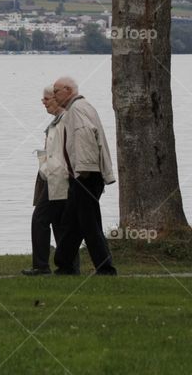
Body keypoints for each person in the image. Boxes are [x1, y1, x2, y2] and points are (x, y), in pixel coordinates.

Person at [52, 77, 117, 276]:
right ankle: (64, 265)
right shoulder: (81, 107)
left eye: (56, 91)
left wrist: (84, 170)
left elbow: (85, 136)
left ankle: (105, 269)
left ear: (68, 89)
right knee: (71, 223)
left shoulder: (77, 109)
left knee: (89, 223)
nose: (54, 96)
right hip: (84, 175)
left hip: (86, 176)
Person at [23, 86, 79, 275]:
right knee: (61, 222)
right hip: (56, 178)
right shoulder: (58, 122)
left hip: (58, 178)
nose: (43, 102)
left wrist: (46, 170)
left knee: (40, 219)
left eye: (47, 98)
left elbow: (62, 154)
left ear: (57, 100)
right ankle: (69, 266)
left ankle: (41, 265)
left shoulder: (63, 122)